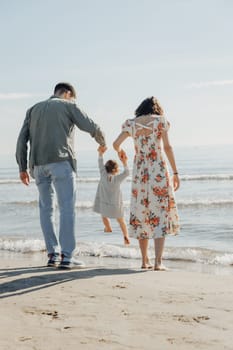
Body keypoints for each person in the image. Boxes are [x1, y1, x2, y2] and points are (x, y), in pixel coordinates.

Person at [16, 82, 106, 269]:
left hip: (38, 165)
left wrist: (22, 167)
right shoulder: (68, 105)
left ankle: (53, 254)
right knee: (66, 209)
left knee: (46, 210)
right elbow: (91, 126)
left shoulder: (33, 109)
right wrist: (102, 142)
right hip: (61, 162)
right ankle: (67, 257)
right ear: (67, 93)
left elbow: (21, 140)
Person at [113, 96, 180, 270]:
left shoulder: (131, 124)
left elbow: (115, 143)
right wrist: (175, 172)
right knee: (160, 213)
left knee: (141, 211)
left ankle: (144, 261)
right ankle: (158, 262)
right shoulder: (160, 122)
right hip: (158, 170)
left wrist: (121, 153)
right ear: (157, 109)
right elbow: (167, 147)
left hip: (140, 173)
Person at [93, 146, 130, 245]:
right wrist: (124, 162)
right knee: (122, 222)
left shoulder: (103, 174)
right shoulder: (118, 178)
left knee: (103, 215)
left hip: (105, 206)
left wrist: (100, 153)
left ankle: (108, 227)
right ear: (116, 170)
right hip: (116, 206)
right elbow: (127, 173)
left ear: (105, 168)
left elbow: (100, 163)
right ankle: (126, 235)